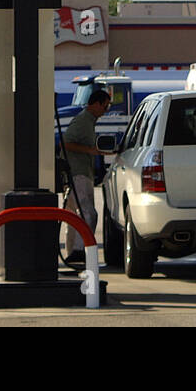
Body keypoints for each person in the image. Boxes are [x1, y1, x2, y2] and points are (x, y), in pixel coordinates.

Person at [61, 88, 112, 265]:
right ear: (96, 104)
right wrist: (91, 151)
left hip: (77, 174)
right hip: (78, 174)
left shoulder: (88, 121)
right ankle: (78, 251)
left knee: (73, 217)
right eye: (105, 107)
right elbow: (67, 143)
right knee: (88, 214)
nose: (105, 112)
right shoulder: (83, 121)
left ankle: (73, 253)